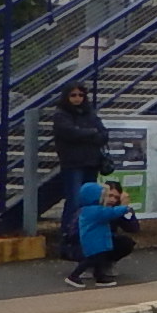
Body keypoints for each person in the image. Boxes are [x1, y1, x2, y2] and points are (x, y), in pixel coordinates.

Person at [50, 82, 108, 254]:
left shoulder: (90, 113)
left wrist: (85, 133)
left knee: (90, 200)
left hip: (91, 162)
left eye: (80, 95)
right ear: (66, 97)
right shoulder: (61, 115)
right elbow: (69, 133)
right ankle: (69, 237)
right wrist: (90, 133)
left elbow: (103, 134)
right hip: (73, 163)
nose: (77, 99)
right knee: (74, 200)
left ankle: (86, 235)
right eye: (73, 95)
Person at [65, 181, 139, 288]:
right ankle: (75, 275)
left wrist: (126, 214)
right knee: (93, 257)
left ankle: (100, 275)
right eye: (109, 196)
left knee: (106, 252)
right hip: (87, 243)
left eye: (116, 197)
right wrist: (125, 208)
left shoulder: (96, 210)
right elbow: (111, 213)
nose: (112, 200)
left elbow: (133, 228)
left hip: (100, 242)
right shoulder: (96, 210)